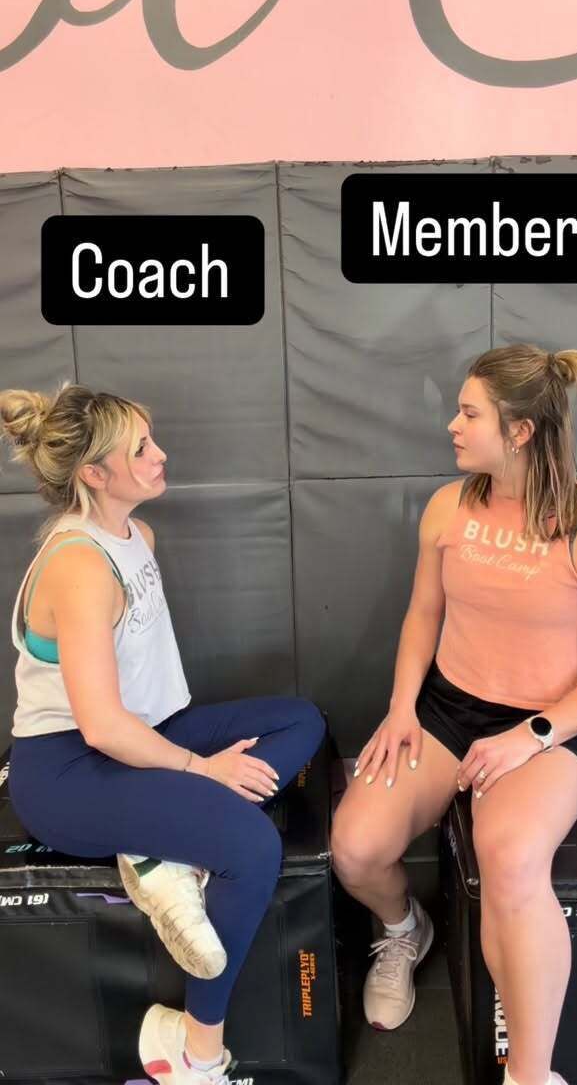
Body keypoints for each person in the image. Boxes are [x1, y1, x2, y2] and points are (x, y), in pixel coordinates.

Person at [330, 344, 577, 1085]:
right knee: (356, 849)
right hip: (445, 709)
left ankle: (530, 1075)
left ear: (521, 431)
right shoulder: (450, 507)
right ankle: (404, 930)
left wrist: (531, 737)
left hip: (548, 726)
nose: (453, 425)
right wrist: (401, 708)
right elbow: (422, 615)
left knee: (510, 860)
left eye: (469, 414)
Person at [0, 382, 325, 1085]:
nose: (161, 455)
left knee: (300, 720)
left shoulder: (135, 536)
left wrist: (190, 772)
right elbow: (100, 725)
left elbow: (134, 703)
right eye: (141, 448)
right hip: (69, 772)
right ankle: (196, 1052)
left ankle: (159, 849)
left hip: (142, 735)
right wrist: (201, 771)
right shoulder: (79, 566)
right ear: (95, 474)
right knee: (252, 848)